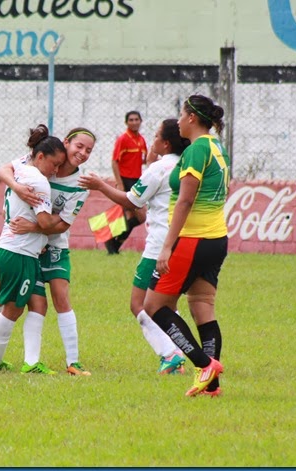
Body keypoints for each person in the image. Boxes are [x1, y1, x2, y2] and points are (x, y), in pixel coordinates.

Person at [0, 127, 97, 376]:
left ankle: (72, 362)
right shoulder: (38, 166)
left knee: (57, 298)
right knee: (10, 298)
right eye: (79, 146)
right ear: (66, 143)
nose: (82, 153)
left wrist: (33, 226)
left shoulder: (80, 183)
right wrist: (16, 187)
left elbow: (62, 224)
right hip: (25, 246)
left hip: (53, 244)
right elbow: (4, 170)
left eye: (89, 150)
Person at [79, 118, 191, 375]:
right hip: (185, 245)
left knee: (139, 305)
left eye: (155, 137)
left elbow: (131, 201)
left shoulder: (160, 169)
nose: (151, 141)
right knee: (169, 307)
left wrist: (100, 186)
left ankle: (171, 354)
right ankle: (193, 355)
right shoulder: (188, 165)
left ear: (164, 143)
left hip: (158, 248)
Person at [143, 95, 230, 397]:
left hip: (193, 240)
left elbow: (186, 199)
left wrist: (167, 247)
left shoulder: (196, 150)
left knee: (153, 306)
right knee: (202, 306)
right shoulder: (217, 147)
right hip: (216, 239)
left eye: (181, 114)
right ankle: (212, 385)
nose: (178, 120)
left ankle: (203, 364)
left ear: (192, 118)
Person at [105, 111, 148, 255]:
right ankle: (112, 243)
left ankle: (113, 244)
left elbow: (144, 160)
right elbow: (114, 161)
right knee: (140, 216)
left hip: (137, 181)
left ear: (141, 121)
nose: (134, 122)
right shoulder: (123, 139)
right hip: (126, 180)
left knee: (134, 217)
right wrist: (119, 183)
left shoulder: (141, 140)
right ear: (126, 122)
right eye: (131, 120)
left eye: (137, 119)